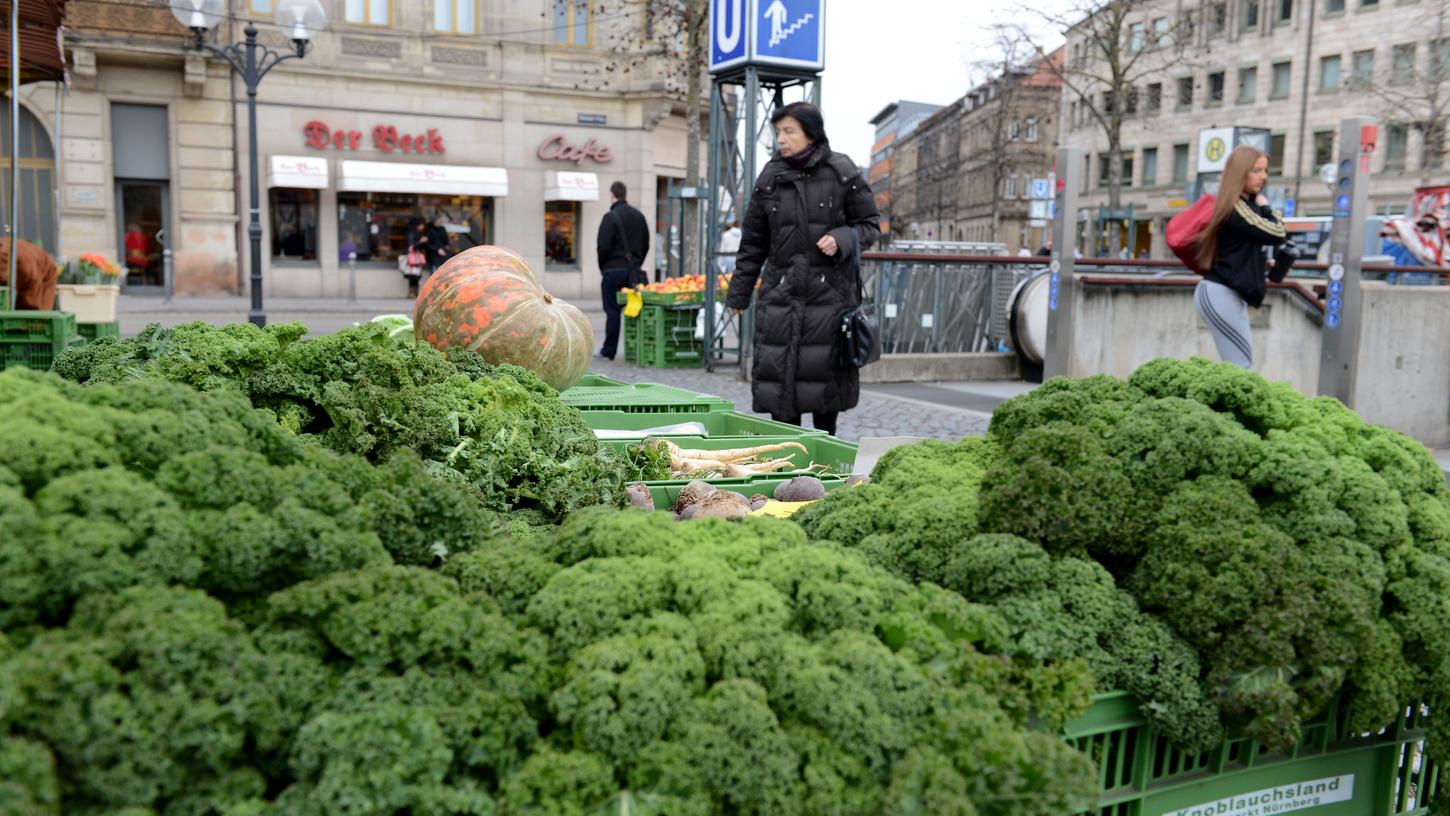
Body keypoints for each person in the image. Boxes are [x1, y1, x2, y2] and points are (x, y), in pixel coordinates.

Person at [724, 101, 881, 437]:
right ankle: (787, 464)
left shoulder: (842, 171)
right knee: (781, 391)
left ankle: (826, 458)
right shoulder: (770, 177)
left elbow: (869, 225)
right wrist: (739, 293)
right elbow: (753, 242)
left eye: (789, 131)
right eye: (778, 132)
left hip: (829, 299)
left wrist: (841, 238)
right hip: (781, 295)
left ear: (810, 133)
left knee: (826, 394)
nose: (781, 138)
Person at [1192, 145, 1286, 370]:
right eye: (1256, 170)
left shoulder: (1244, 208)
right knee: (1240, 368)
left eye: (1265, 171)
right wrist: (1268, 208)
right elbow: (1277, 233)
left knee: (1238, 367)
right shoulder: (1235, 207)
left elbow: (1241, 248)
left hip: (1228, 294)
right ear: (1239, 172)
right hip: (1220, 293)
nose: (1263, 177)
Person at [595, 180, 650, 360]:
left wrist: (604, 268)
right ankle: (639, 349)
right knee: (636, 309)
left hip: (612, 271)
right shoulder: (639, 216)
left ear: (612, 195)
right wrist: (636, 263)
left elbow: (602, 246)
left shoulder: (610, 217)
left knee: (612, 311)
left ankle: (609, 350)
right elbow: (646, 244)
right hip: (633, 272)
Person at [404, 217, 428, 298]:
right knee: (413, 275)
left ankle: (415, 292)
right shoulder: (411, 233)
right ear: (417, 225)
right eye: (421, 225)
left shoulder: (418, 232)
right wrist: (421, 241)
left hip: (417, 256)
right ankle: (413, 292)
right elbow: (411, 246)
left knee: (416, 274)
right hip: (413, 257)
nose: (423, 227)